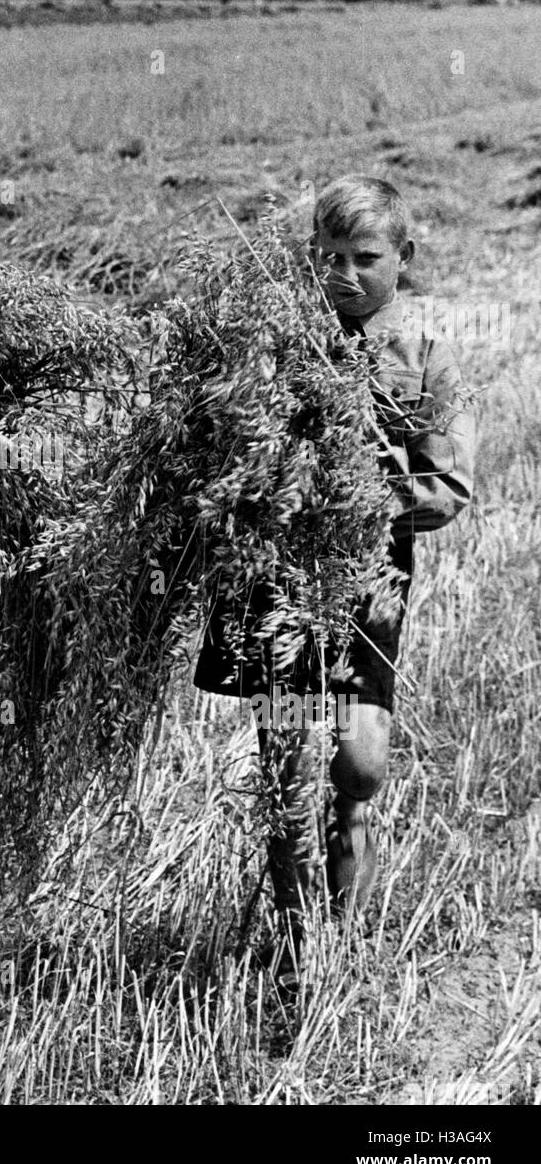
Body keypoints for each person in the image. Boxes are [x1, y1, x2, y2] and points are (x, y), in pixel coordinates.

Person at [193, 174, 475, 971]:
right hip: (269, 574)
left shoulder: (428, 354)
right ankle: (300, 948)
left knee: (361, 762)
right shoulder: (273, 345)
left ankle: (345, 871)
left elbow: (449, 485)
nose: (344, 274)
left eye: (365, 257)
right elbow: (216, 449)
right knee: (283, 762)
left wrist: (361, 485)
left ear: (405, 258)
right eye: (328, 257)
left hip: (368, 580)